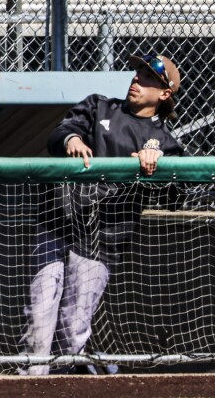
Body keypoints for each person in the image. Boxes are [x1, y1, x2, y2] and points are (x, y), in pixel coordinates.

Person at [20, 53, 184, 375]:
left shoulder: (163, 141)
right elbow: (59, 133)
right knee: (38, 318)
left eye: (149, 77)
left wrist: (157, 165)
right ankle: (31, 386)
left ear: (165, 94)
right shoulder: (99, 106)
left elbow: (175, 196)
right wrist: (72, 139)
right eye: (138, 72)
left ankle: (74, 379)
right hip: (57, 222)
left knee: (71, 330)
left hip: (102, 241)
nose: (137, 78)